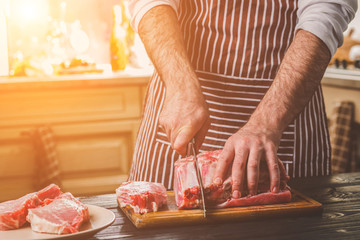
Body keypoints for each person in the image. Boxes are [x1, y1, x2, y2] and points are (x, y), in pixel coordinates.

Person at [127, 0, 358, 197]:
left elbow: (327, 9)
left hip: (286, 120)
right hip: (180, 104)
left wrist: (268, 122)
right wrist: (179, 85)